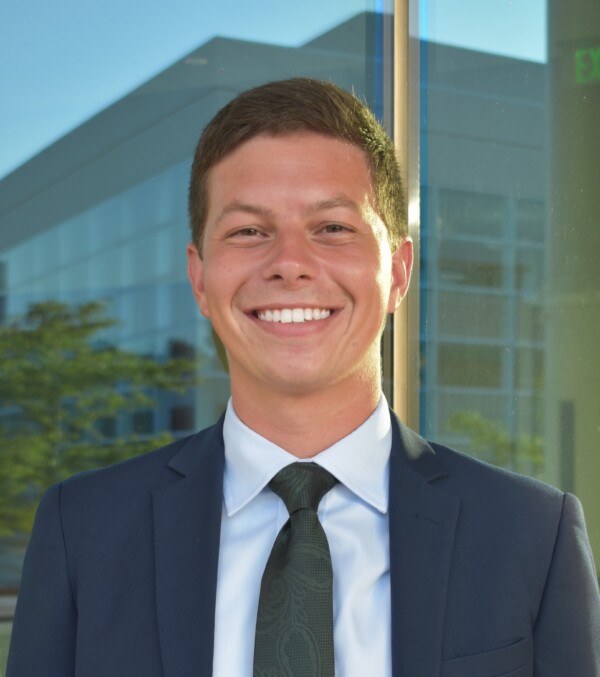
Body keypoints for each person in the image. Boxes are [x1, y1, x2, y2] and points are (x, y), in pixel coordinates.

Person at [7, 78, 600, 677]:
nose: (289, 262)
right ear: (199, 277)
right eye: (248, 231)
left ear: (397, 271)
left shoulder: (530, 534)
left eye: (333, 228)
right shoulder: (82, 529)